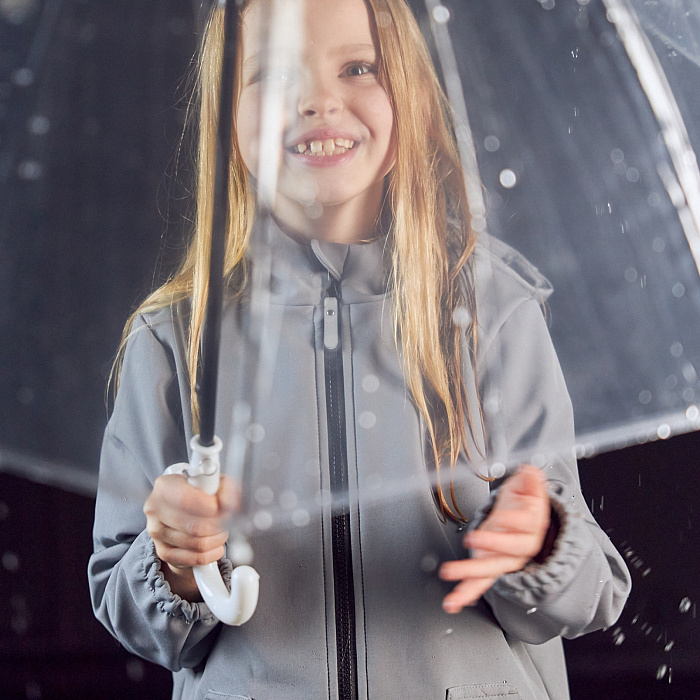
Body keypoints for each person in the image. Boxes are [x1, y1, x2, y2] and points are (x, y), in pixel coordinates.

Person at [88, 0, 631, 698]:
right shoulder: (175, 341)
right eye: (273, 75)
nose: (318, 100)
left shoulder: (492, 313)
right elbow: (131, 612)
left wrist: (541, 543)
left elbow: (588, 596)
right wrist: (175, 564)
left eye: (358, 68)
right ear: (228, 116)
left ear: (409, 94)